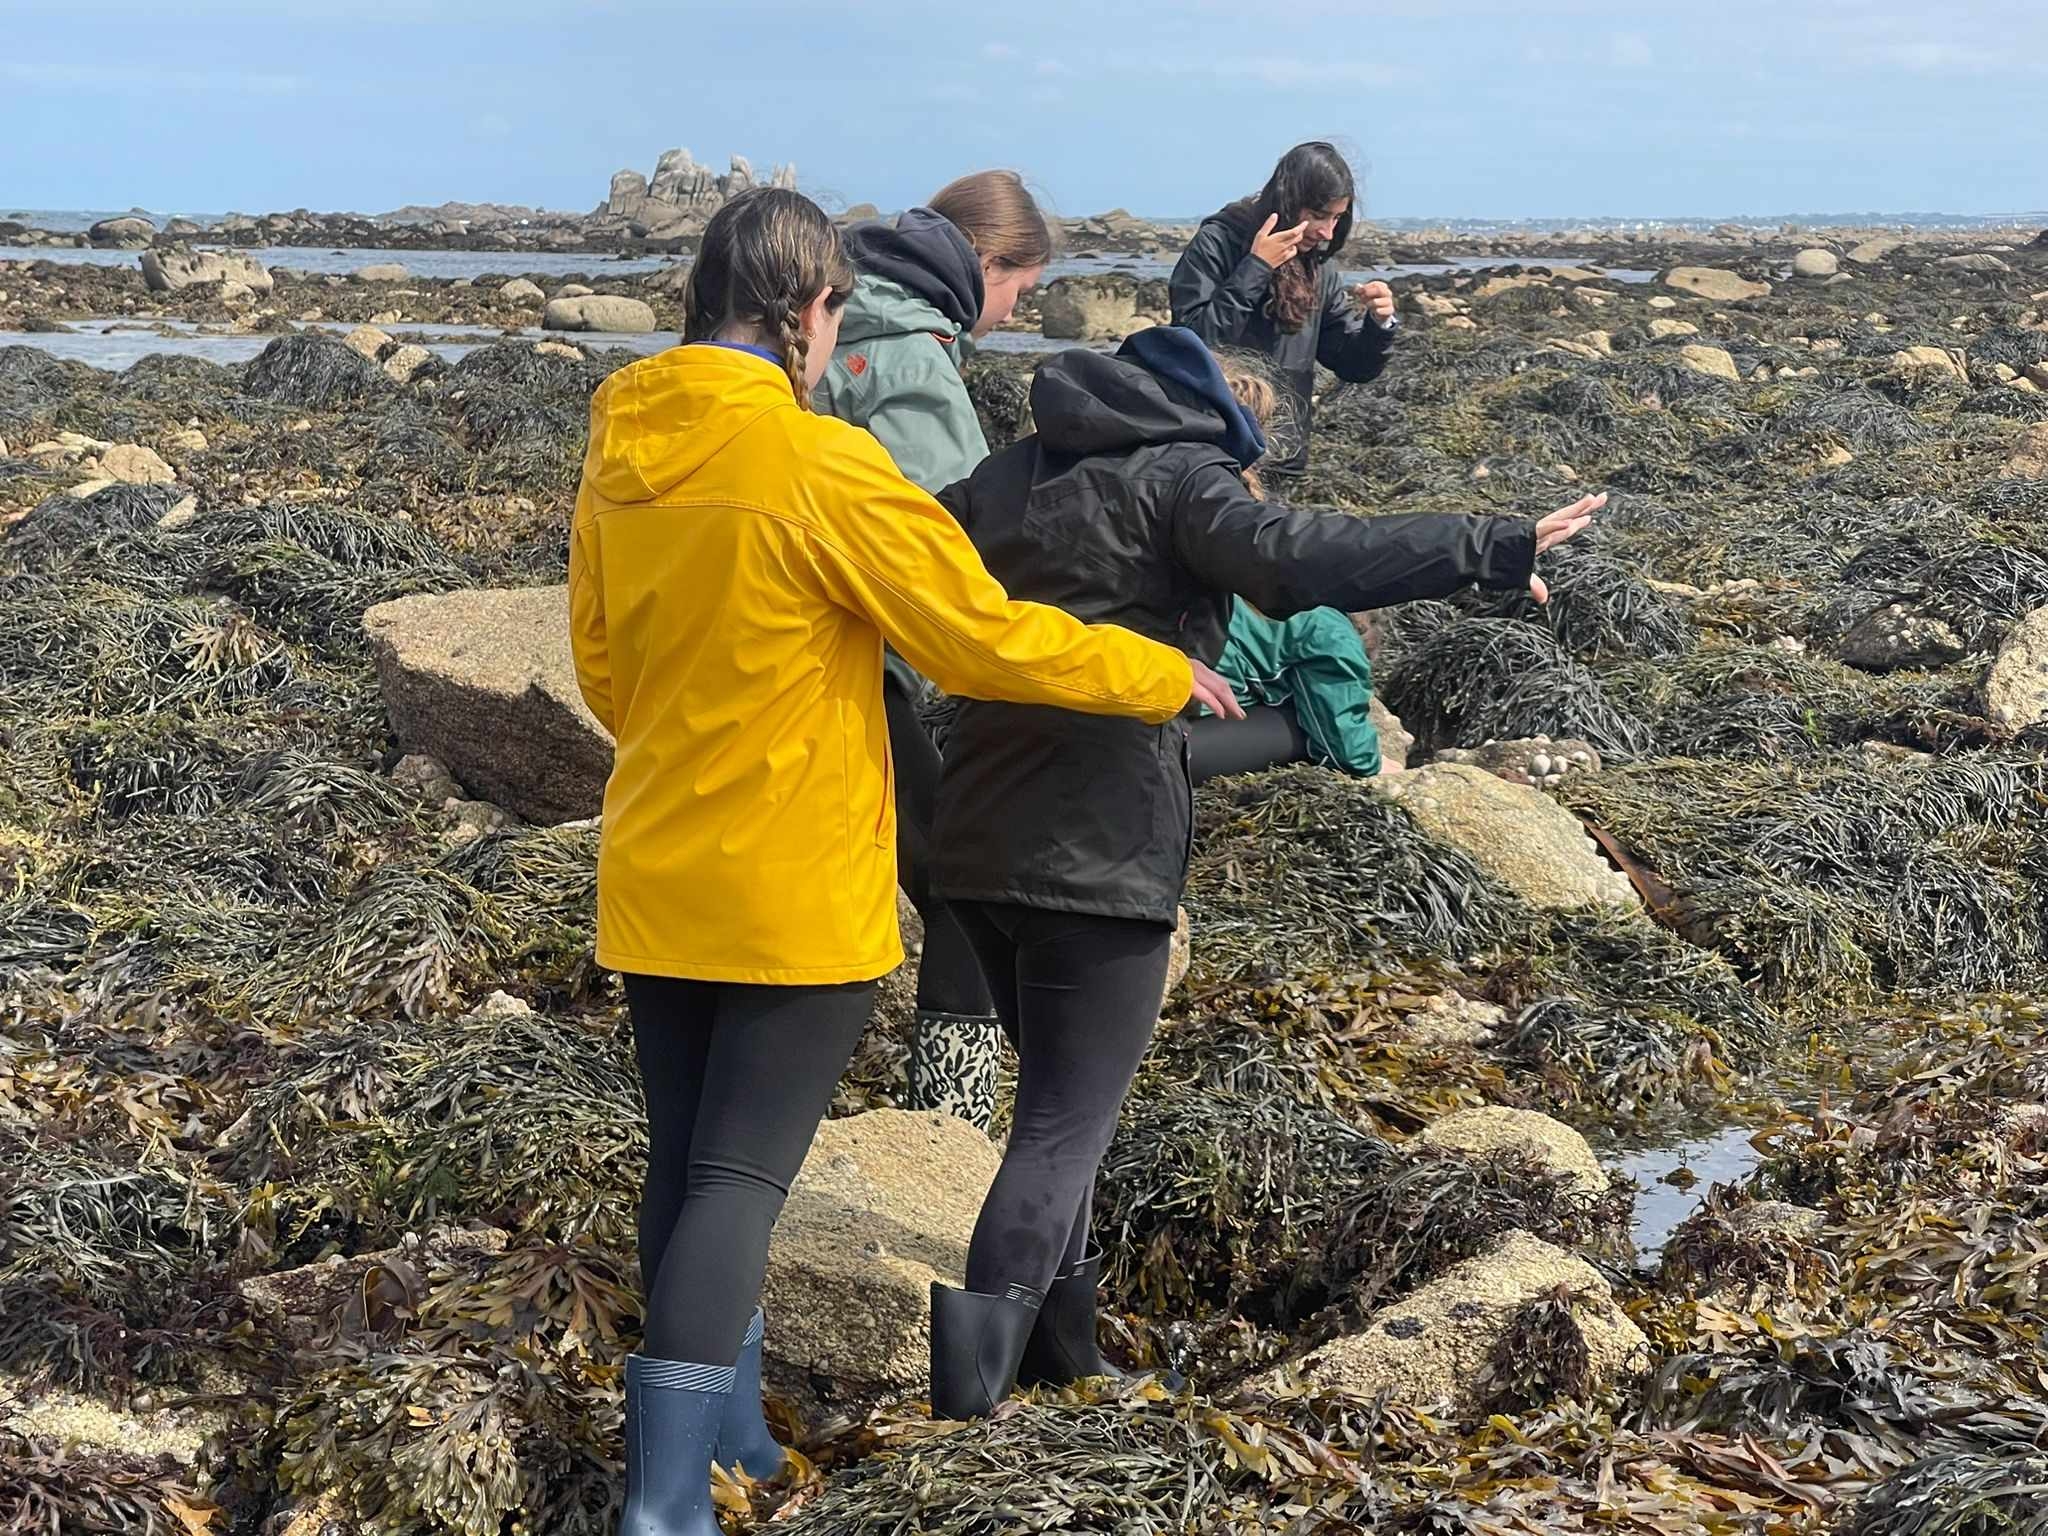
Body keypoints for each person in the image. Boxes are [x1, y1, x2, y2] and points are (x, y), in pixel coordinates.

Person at [567, 188, 1239, 1535]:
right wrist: (1150, 668)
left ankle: (736, 1441)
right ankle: (660, 1508)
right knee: (738, 1185)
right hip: (792, 888)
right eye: (829, 322)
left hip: (654, 865)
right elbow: (977, 638)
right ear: (813, 315)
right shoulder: (818, 466)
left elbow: (599, 663)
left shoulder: (622, 447)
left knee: (684, 1166)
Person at [923, 326, 1602, 1417]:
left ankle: (1066, 1357)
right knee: (1058, 1124)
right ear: (1209, 415)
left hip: (971, 829)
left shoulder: (1002, 476)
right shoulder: (1179, 477)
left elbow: (909, 578)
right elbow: (1296, 561)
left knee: (1062, 1110)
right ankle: (965, 1404)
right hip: (1101, 839)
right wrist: (1488, 543)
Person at [814, 171, 1057, 1130]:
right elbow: (944, 542)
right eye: (1019, 291)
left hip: (784, 651)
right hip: (859, 670)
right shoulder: (914, 358)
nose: (1011, 314)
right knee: (961, 881)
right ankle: (947, 1130)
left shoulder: (834, 311)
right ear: (984, 263)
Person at [1170, 140, 1397, 479]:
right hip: (1212, 451)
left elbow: (1352, 365)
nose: (1326, 232)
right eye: (1319, 216)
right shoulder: (1218, 242)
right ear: (1288, 203)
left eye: (1337, 218)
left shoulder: (1318, 266)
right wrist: (1257, 267)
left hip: (1282, 458)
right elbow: (1191, 345)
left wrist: (1379, 325)